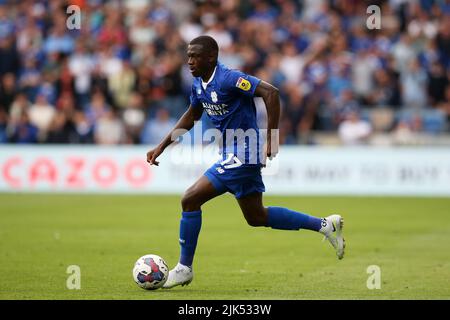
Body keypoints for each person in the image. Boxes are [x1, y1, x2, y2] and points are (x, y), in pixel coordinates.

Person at [146, 36, 345, 289]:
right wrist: (161, 146)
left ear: (211, 57)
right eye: (188, 56)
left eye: (195, 56)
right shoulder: (199, 84)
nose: (189, 61)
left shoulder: (229, 78)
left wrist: (272, 138)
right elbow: (192, 115)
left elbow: (270, 92)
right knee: (256, 216)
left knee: (190, 199)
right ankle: (325, 225)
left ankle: (184, 268)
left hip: (245, 152)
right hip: (231, 152)